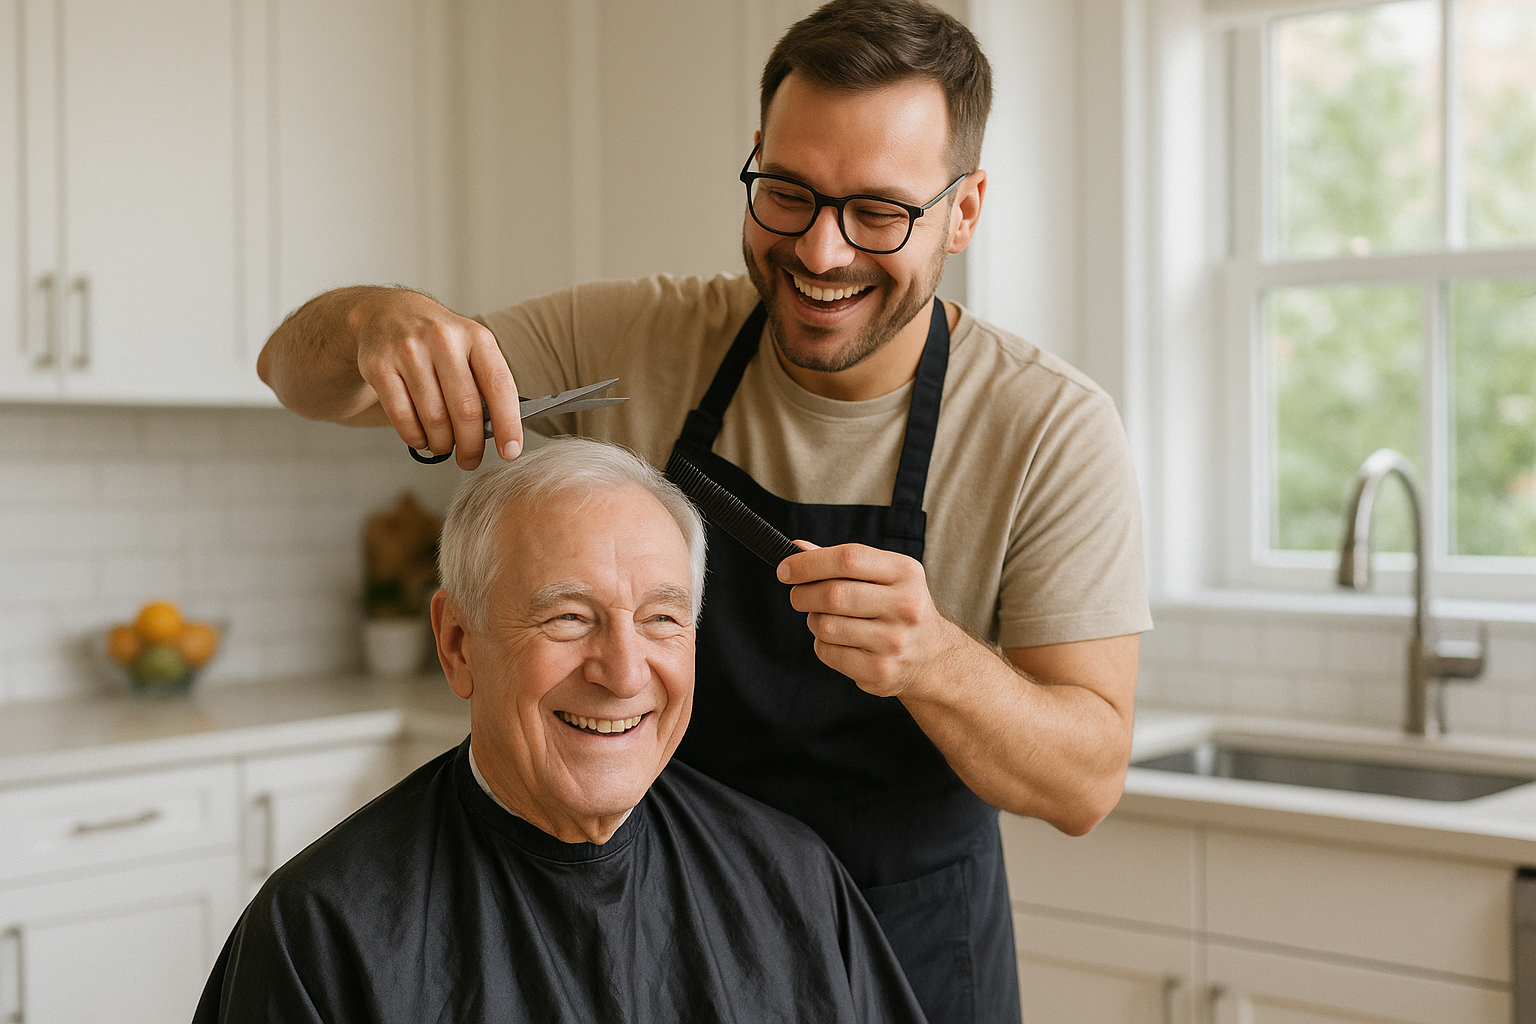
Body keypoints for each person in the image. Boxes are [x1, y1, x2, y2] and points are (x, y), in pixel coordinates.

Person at [256, 1, 1152, 1020]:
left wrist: (935, 660)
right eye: (788, 193)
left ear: (966, 209)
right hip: (670, 931)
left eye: (877, 212)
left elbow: (1086, 782)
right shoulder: (637, 338)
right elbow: (298, 375)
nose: (820, 252)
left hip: (909, 954)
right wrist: (385, 320)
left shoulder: (1049, 429)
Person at [192, 438, 929, 1024]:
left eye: (662, 619)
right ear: (456, 645)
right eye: (568, 617)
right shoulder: (320, 936)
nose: (623, 670)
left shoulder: (795, 879)